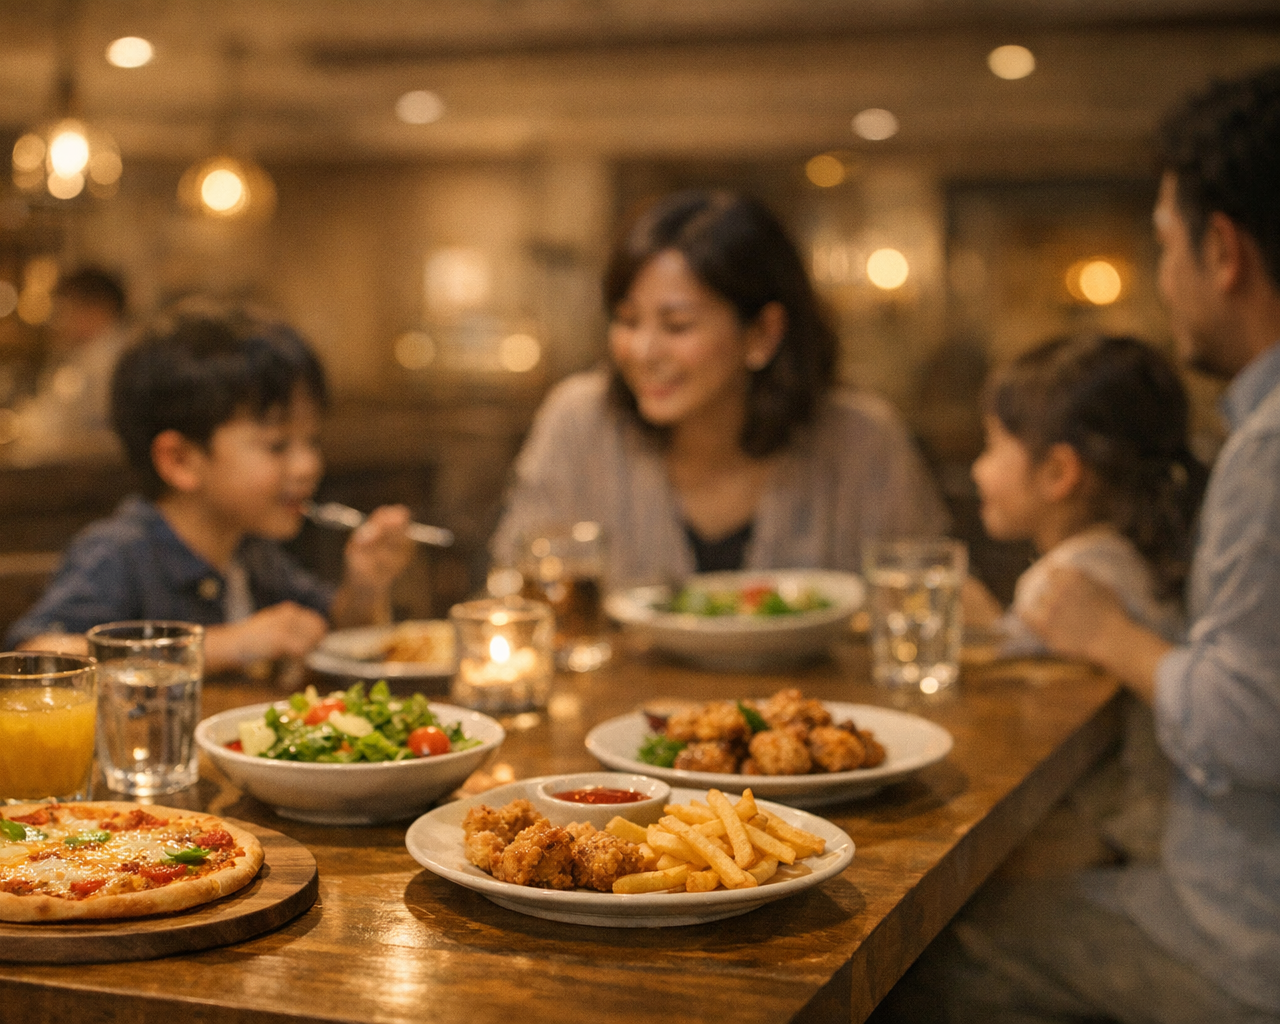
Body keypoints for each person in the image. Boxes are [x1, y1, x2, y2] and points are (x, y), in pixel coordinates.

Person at [885, 65, 1280, 1024]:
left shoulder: (1269, 450)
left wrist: (1113, 638)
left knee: (912, 954)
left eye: (1162, 246)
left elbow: (1252, 727)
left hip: (1239, 934)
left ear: (1221, 249)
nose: (1163, 280)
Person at [490, 189, 948, 586]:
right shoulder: (579, 422)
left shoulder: (861, 440)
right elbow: (515, 592)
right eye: (627, 321)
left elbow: (933, 596)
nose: (642, 351)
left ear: (762, 334)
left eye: (677, 325)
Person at [6, 305, 416, 674]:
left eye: (311, 441)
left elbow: (332, 631)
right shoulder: (121, 553)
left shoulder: (250, 552)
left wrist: (365, 585)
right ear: (180, 460)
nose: (308, 465)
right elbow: (37, 661)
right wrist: (229, 645)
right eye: (278, 445)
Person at [967, 333, 1205, 866]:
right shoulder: (1127, 555)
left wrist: (977, 630)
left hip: (1122, 836)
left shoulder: (1067, 575)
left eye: (992, 445)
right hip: (1163, 820)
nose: (978, 468)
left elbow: (1010, 688)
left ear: (1058, 472)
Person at [20, 267, 132, 443]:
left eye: (68, 308)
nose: (61, 320)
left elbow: (65, 426)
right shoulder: (87, 355)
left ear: (99, 308)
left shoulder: (110, 361)